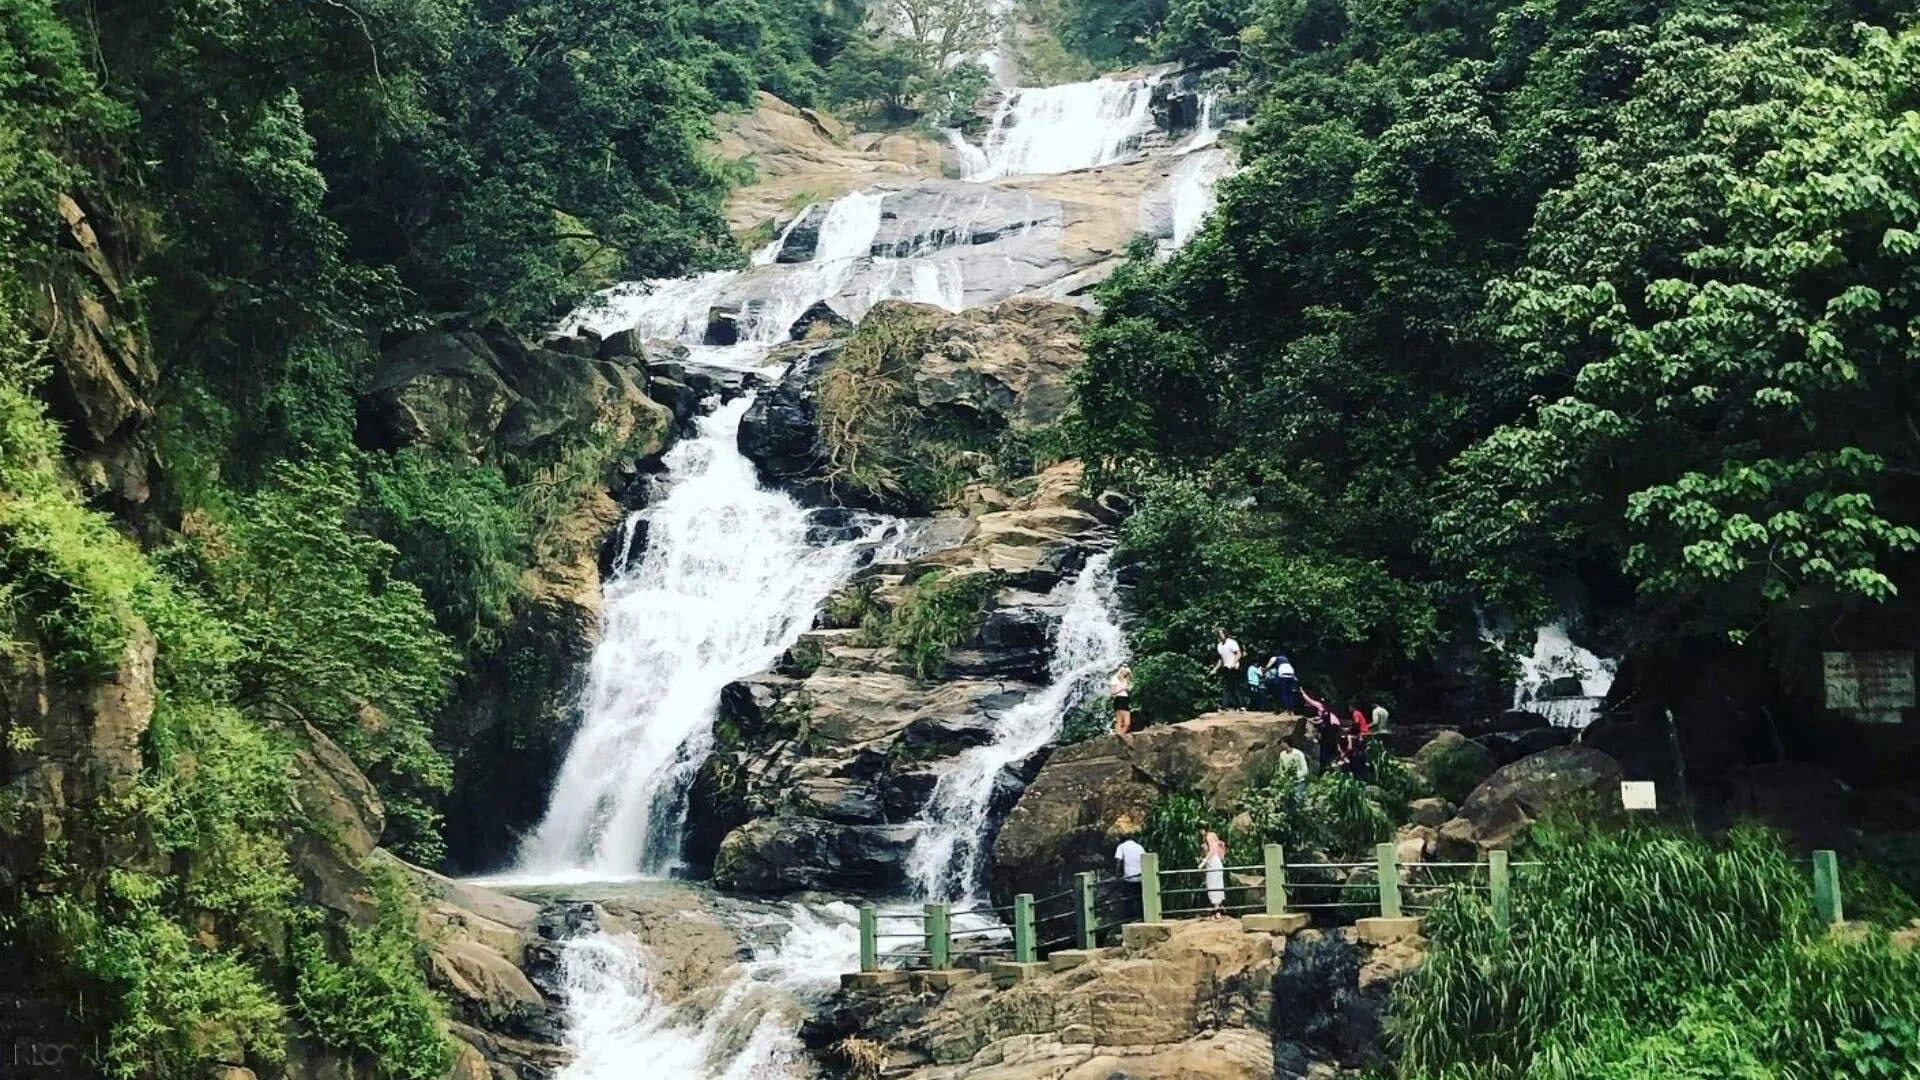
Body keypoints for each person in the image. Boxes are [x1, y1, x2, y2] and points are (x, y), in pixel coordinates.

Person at [1302, 689, 1341, 773]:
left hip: (1332, 728)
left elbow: (1310, 700)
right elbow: (1320, 719)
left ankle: (1325, 766)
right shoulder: (1326, 711)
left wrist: (1303, 693)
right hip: (1333, 727)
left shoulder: (1320, 706)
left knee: (1326, 748)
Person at [1115, 834, 1146, 923]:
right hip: (1140, 877)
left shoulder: (1121, 847)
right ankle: (1142, 916)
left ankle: (1129, 919)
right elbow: (1144, 859)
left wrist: (1117, 875)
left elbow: (1118, 862)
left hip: (1129, 878)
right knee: (1140, 898)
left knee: (1128, 899)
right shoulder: (1139, 847)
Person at [1210, 628, 1244, 710]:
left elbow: (1239, 654)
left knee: (1234, 687)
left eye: (1221, 634)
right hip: (1226, 667)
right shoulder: (1219, 646)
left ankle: (1240, 705)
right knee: (1226, 687)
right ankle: (1226, 705)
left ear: (1225, 634)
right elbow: (1221, 659)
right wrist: (1215, 669)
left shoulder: (1232, 643)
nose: (1219, 636)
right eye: (1218, 634)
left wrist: (1233, 663)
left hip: (1233, 667)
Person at [1199, 829, 1228, 917]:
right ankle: (1217, 908)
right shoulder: (1211, 836)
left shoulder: (1209, 837)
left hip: (1213, 862)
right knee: (1215, 884)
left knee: (1214, 885)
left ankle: (1217, 910)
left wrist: (1203, 862)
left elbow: (1211, 851)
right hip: (1215, 862)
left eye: (1201, 829)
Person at [1110, 666, 1134, 736]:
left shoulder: (1125, 679)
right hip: (1119, 699)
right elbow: (1112, 692)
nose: (1125, 674)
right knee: (1120, 721)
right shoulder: (1115, 679)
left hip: (1125, 699)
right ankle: (1119, 735)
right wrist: (1122, 689)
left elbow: (1130, 679)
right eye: (1124, 672)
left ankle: (1119, 735)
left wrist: (1127, 688)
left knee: (1127, 723)